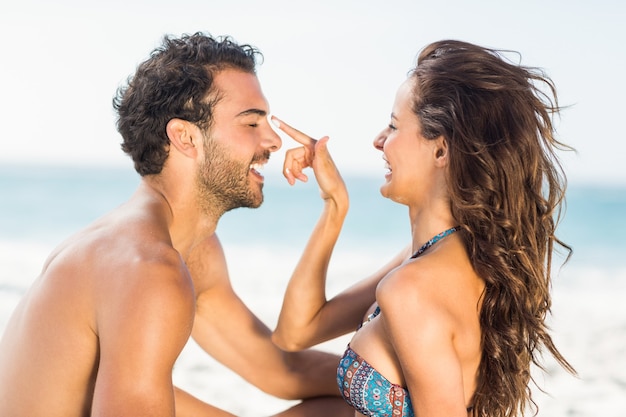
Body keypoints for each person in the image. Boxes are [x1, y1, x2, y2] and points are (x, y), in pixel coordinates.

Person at [0, 32, 351, 417]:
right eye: (251, 123)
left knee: (349, 409)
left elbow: (282, 371)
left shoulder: (190, 249)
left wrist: (392, 384)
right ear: (185, 137)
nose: (272, 141)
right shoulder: (146, 268)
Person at [271, 39, 577, 417]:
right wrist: (335, 205)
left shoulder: (413, 288)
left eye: (394, 125)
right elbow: (296, 331)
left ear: (441, 151)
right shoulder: (434, 258)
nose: (379, 140)